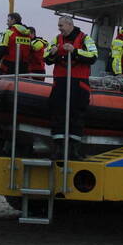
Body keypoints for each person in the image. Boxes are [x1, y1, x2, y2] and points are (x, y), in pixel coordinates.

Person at [44, 15, 97, 158]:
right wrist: (52, 53)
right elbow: (46, 58)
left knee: (77, 115)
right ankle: (59, 149)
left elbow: (93, 56)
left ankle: (74, 150)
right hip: (60, 82)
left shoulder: (86, 39)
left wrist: (75, 51)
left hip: (78, 83)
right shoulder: (56, 39)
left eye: (61, 25)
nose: (59, 28)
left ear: (69, 24)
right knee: (57, 114)